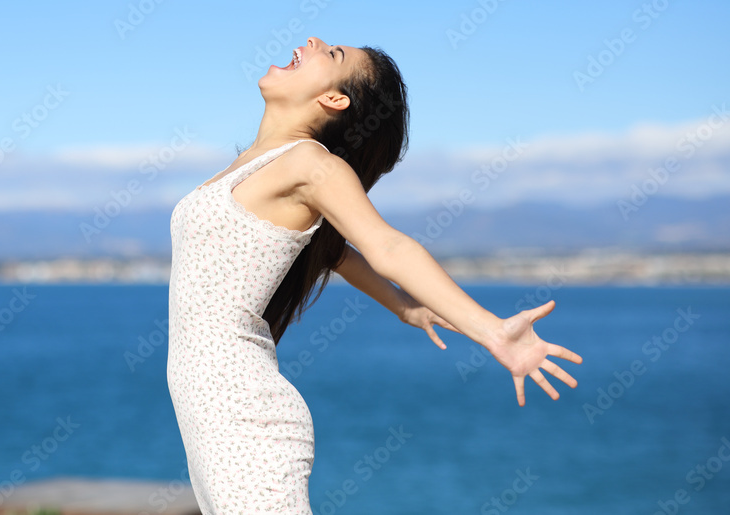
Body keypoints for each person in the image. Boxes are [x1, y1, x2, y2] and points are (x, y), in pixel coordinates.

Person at [166, 37, 582, 514]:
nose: (313, 41)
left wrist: (493, 332)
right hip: (210, 412)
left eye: (333, 55)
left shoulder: (310, 164)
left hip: (244, 409)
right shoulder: (254, 165)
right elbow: (333, 253)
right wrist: (404, 306)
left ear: (335, 100)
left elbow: (386, 245)